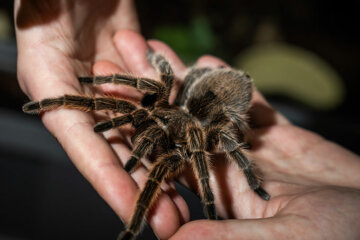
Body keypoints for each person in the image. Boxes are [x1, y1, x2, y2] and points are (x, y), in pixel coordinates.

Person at [15, 1, 360, 239]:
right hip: (194, 95)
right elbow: (148, 83)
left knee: (183, 148)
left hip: (214, 101)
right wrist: (80, 91)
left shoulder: (189, 142)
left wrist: (218, 196)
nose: (143, 137)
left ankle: (134, 225)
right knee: (146, 91)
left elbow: (217, 140)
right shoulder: (156, 105)